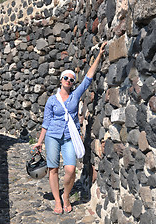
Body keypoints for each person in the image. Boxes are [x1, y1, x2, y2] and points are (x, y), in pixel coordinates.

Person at [33, 42, 107, 214]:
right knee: (53, 169)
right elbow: (46, 123)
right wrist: (39, 142)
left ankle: (66, 195)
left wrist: (99, 56)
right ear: (61, 80)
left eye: (71, 79)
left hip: (69, 137)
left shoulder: (75, 95)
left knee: (70, 169)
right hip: (52, 136)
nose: (68, 80)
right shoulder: (52, 100)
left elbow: (88, 77)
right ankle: (58, 201)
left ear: (73, 83)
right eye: (66, 78)